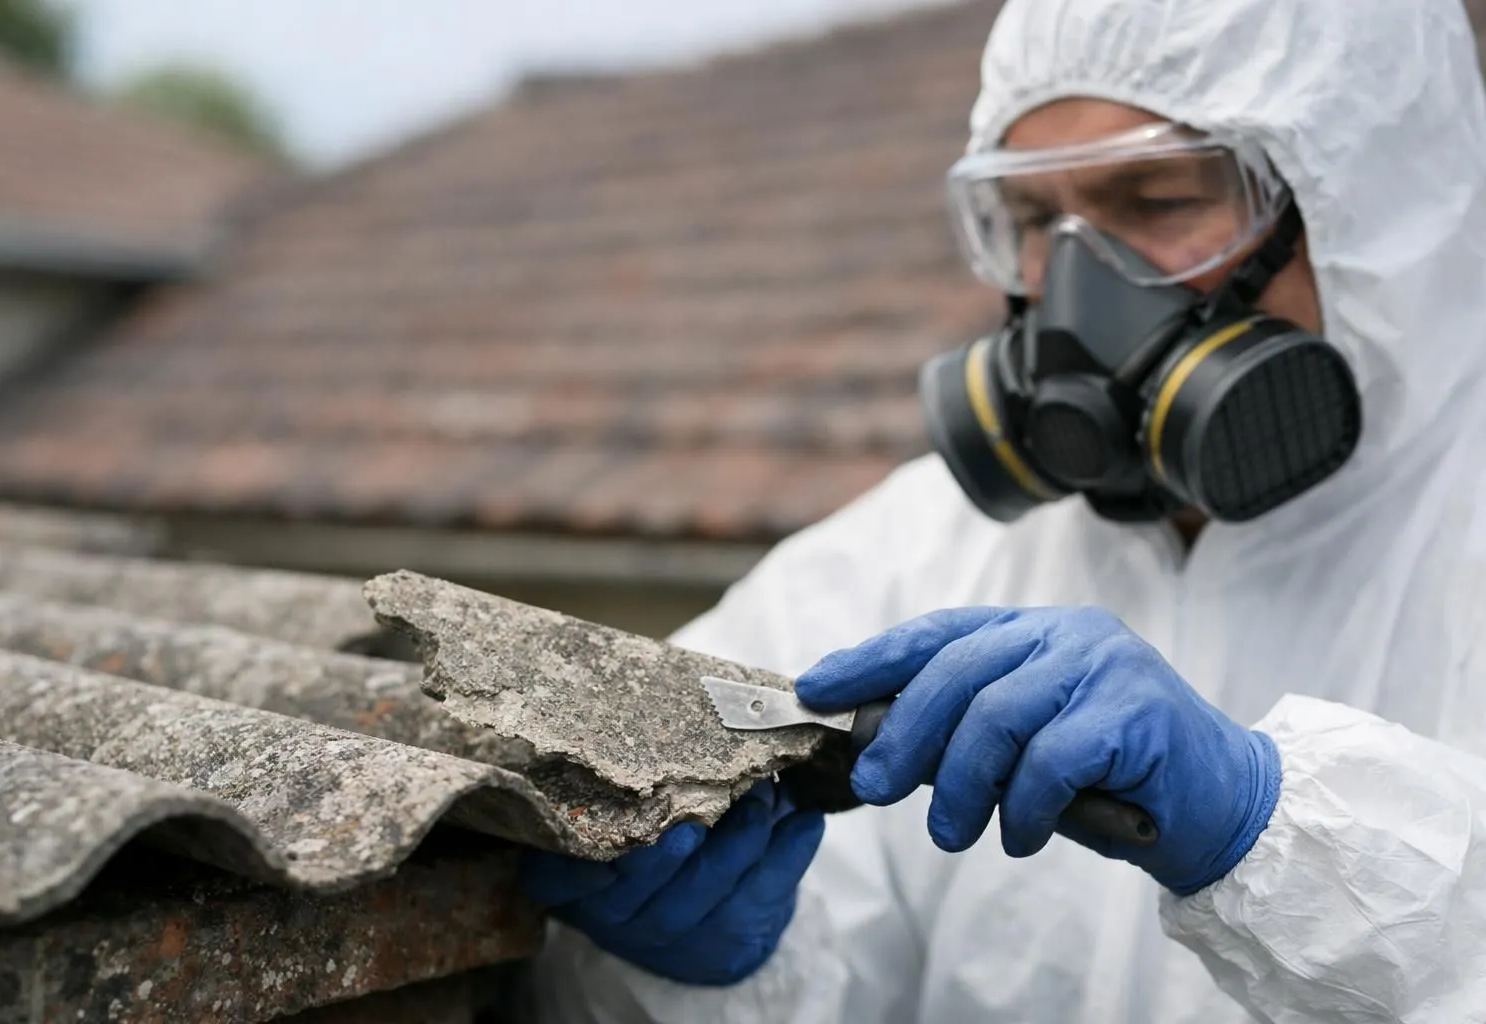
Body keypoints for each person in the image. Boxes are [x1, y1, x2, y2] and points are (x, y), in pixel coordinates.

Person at [519, 0, 1486, 1019]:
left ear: (1376, 203)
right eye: (1032, 221)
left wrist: (1273, 827)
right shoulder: (902, 560)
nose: (1072, 289)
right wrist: (693, 977)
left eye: (1158, 196)